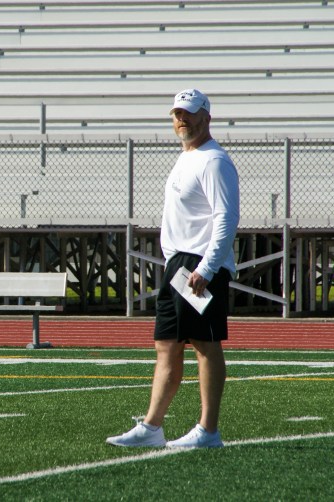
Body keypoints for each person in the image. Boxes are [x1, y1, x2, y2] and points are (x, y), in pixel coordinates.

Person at [106, 89, 240, 448]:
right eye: (178, 113)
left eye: (190, 113)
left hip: (200, 264)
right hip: (179, 264)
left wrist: (208, 269)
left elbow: (226, 219)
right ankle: (152, 427)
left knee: (205, 344)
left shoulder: (214, 160)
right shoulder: (186, 158)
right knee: (166, 344)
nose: (183, 120)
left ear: (206, 117)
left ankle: (208, 430)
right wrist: (172, 262)